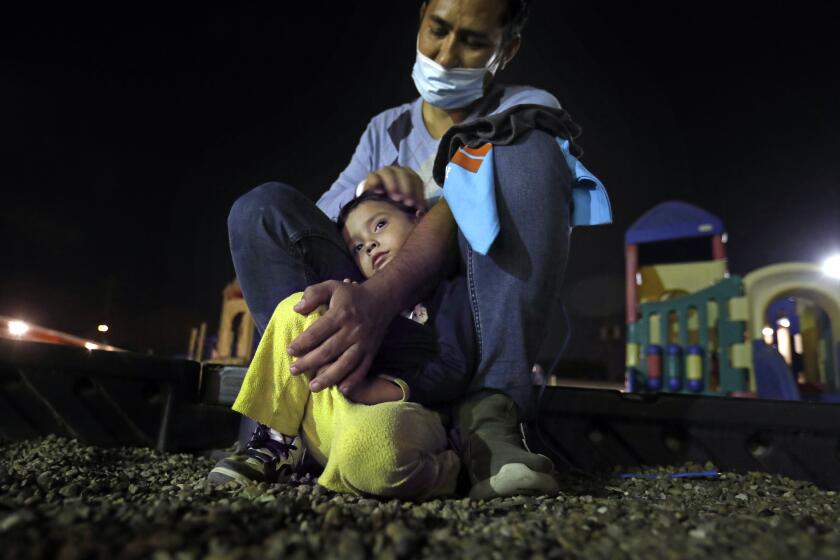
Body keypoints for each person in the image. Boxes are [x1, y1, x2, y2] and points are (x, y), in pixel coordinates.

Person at [223, 0, 607, 498]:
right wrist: (369, 191)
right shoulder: (388, 131)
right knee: (261, 210)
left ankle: (489, 418)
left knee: (532, 148)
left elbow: (459, 216)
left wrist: (387, 278)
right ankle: (297, 417)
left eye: (472, 41)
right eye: (438, 30)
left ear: (506, 49)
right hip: (377, 344)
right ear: (422, 15)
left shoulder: (524, 107)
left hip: (457, 339)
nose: (446, 55)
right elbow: (318, 231)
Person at [208, 192, 480, 500]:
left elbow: (454, 365)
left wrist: (384, 389)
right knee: (298, 307)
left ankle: (449, 472)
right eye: (358, 247)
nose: (371, 245)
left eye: (379, 225)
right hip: (334, 407)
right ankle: (274, 441)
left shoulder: (448, 294)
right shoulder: (356, 294)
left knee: (369, 451)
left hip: (402, 412)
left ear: (421, 219)